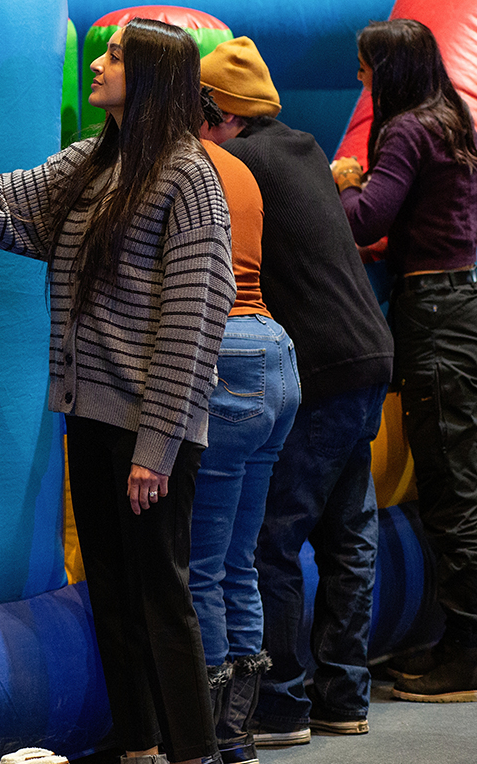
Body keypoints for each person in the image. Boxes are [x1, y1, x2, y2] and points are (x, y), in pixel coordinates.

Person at [0, 17, 234, 764]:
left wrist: (157, 446)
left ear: (153, 79)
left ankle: (194, 751)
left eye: (113, 57)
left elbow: (193, 320)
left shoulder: (190, 175)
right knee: (109, 587)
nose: (97, 65)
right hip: (91, 419)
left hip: (150, 432)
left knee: (161, 595)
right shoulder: (88, 165)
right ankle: (138, 744)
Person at [199, 36, 393, 746]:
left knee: (271, 544)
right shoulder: (303, 148)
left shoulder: (236, 162)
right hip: (368, 354)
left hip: (318, 368)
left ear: (219, 114)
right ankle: (344, 693)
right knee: (349, 537)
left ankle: (280, 703)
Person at [332, 18, 477, 703]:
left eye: (365, 72)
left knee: (452, 484)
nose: (362, 84)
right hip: (461, 300)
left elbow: (370, 215)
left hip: (437, 316)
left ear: (387, 71)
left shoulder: (407, 129)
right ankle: (460, 638)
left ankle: (469, 650)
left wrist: (330, 190)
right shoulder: (450, 119)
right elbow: (435, 218)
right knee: (459, 479)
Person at [189, 87, 301, 764]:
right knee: (238, 559)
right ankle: (237, 734)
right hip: (275, 352)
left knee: (202, 564)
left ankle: (207, 732)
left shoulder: (183, 166)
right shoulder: (238, 165)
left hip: (228, 353)